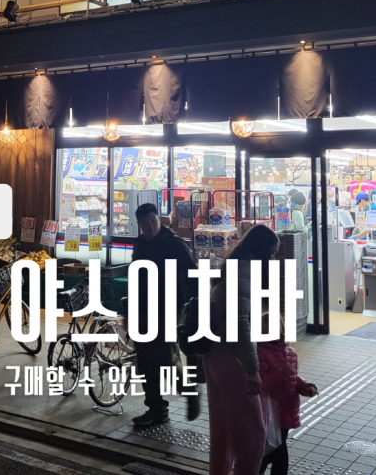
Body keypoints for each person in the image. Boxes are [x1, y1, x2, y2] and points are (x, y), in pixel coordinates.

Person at [205, 224, 280, 475]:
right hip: (232, 359)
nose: (273, 259)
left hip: (214, 354)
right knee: (252, 436)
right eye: (271, 253)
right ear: (261, 251)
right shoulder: (244, 273)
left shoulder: (232, 267)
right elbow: (240, 323)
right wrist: (252, 369)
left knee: (223, 431)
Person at [131, 202, 198, 427]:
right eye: (145, 223)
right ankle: (156, 408)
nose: (150, 226)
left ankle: (188, 390)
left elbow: (192, 276)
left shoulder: (175, 244)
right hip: (142, 308)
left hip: (169, 307)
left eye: (153, 221)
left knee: (165, 357)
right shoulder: (140, 244)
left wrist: (194, 308)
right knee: (144, 360)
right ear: (139, 224)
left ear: (159, 220)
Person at [258, 313, 318, 475]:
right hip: (270, 412)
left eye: (274, 321)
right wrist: (282, 371)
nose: (269, 325)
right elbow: (263, 384)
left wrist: (304, 387)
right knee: (275, 452)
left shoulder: (290, 352)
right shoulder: (259, 353)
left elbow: (293, 377)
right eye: (265, 321)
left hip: (286, 410)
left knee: (273, 450)